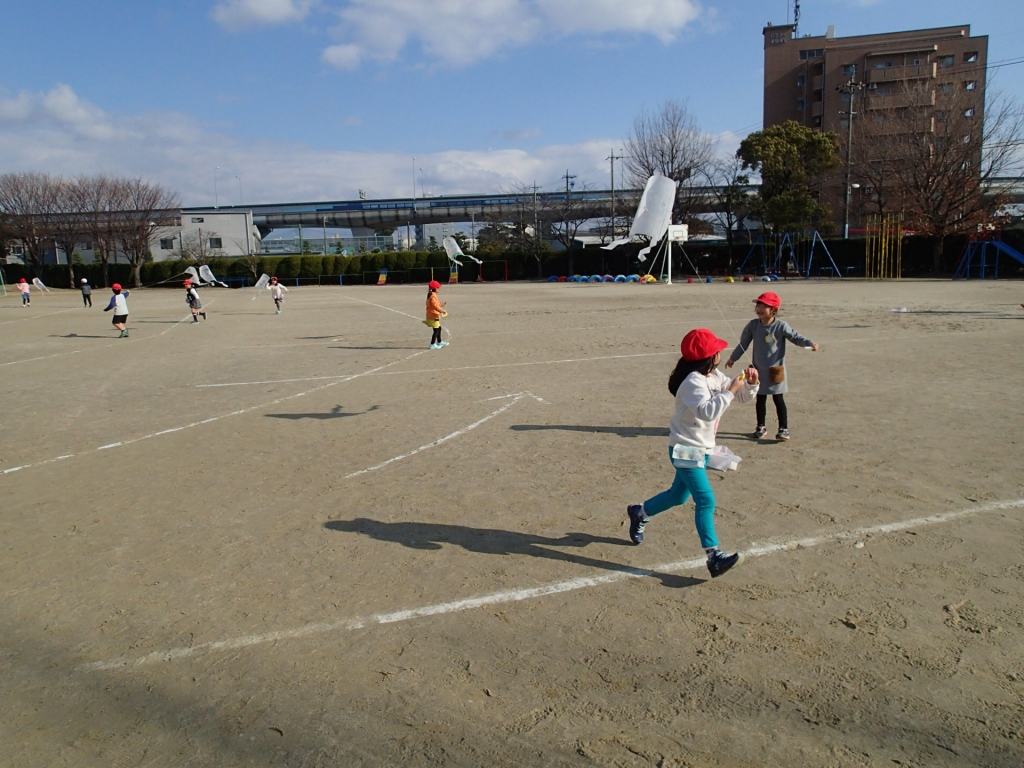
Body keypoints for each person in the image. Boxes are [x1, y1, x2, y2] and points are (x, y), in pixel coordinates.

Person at [626, 329, 759, 578]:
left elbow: (740, 396)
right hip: (685, 449)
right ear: (710, 356)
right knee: (706, 500)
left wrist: (750, 384)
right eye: (717, 350)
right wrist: (730, 390)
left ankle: (640, 512)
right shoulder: (692, 382)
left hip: (702, 448)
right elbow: (707, 412)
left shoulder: (714, 376)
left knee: (677, 496)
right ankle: (713, 556)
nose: (721, 352)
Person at [725, 291, 818, 441]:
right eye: (758, 306)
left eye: (764, 306)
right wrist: (733, 358)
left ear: (774, 310)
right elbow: (743, 343)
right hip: (758, 370)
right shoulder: (753, 325)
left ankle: (783, 429)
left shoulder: (781, 326)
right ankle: (760, 427)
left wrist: (809, 343)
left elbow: (795, 337)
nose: (759, 309)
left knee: (778, 399)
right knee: (760, 399)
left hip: (775, 371)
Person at [425, 280, 448, 349]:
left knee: (438, 328)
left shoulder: (433, 295)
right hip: (432, 315)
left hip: (434, 315)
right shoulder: (432, 296)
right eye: (438, 288)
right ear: (435, 288)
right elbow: (435, 306)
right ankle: (432, 344)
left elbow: (436, 304)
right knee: (436, 330)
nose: (439, 289)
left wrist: (442, 304)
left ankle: (439, 342)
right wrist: (442, 311)